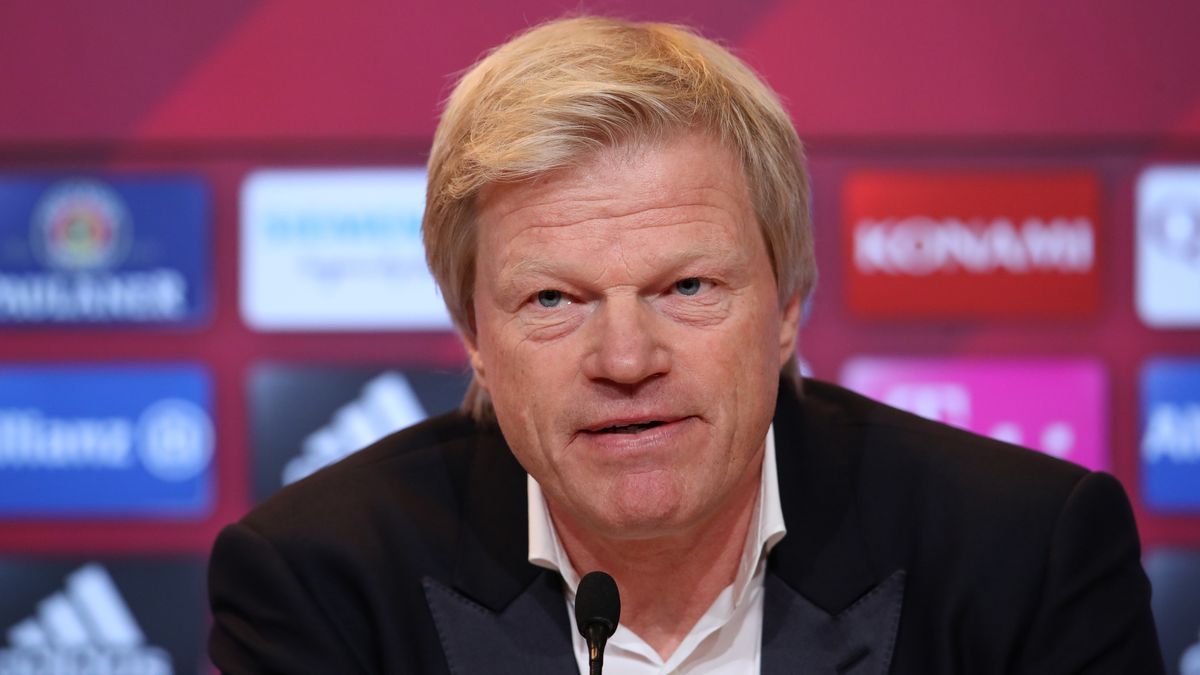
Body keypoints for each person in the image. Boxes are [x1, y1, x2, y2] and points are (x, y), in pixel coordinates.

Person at [207, 16, 1164, 674]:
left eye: (687, 287)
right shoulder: (322, 579)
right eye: (552, 297)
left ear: (787, 303)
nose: (626, 357)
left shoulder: (1021, 554)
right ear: (475, 338)